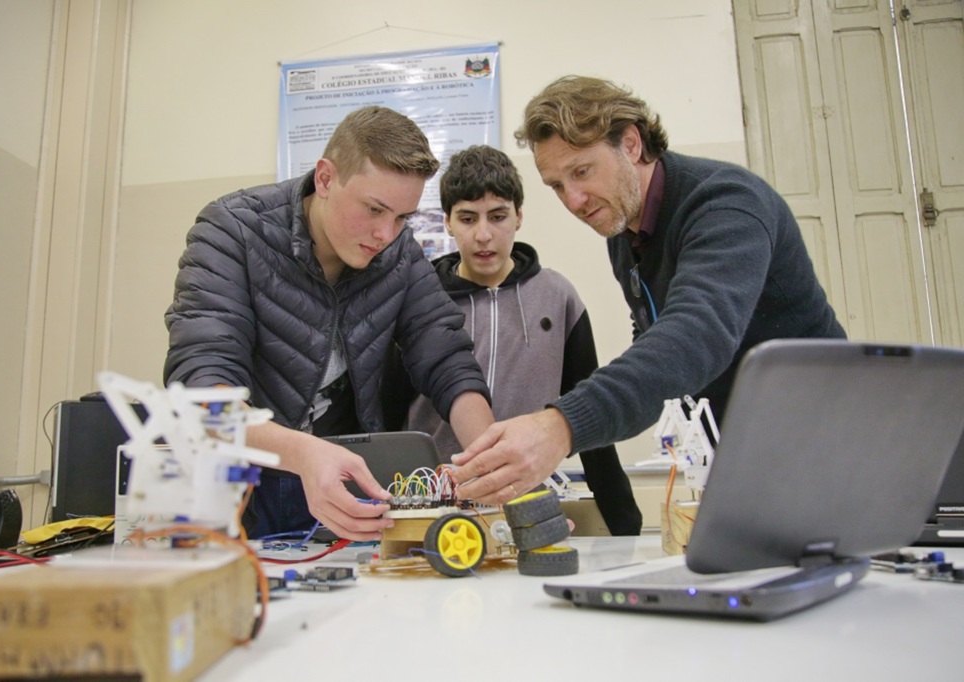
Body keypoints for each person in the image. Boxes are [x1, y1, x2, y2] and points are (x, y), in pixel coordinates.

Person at [451, 75, 846, 505]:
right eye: (558, 186)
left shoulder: (726, 204)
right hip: (744, 461)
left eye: (582, 172)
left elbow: (695, 337)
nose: (575, 200)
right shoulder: (624, 232)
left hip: (823, 449)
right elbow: (654, 337)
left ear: (632, 144)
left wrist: (561, 425)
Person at [163, 105, 494, 542]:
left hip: (345, 488)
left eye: (401, 218)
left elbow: (447, 358)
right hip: (240, 488)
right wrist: (303, 455)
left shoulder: (399, 255)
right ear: (324, 178)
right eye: (374, 209)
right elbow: (202, 390)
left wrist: (495, 464)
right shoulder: (232, 232)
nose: (386, 235)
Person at [387, 145, 642, 535]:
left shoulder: (558, 298)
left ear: (519, 217)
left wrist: (625, 523)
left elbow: (589, 414)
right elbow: (388, 415)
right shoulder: (420, 302)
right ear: (448, 223)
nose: (484, 234)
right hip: (429, 509)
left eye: (498, 216)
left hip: (524, 507)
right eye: (468, 218)